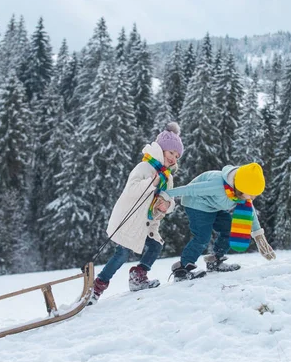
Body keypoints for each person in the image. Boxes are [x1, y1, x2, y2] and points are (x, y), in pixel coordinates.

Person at [90, 122, 183, 304]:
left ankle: (138, 276)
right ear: (161, 149)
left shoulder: (167, 177)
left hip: (146, 224)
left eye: (177, 156)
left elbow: (169, 198)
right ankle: (97, 287)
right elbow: (131, 190)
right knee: (121, 255)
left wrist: (167, 205)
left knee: (156, 245)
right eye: (171, 152)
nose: (174, 158)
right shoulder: (144, 168)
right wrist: (153, 183)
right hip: (128, 220)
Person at [160, 163, 276, 281]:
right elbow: (190, 189)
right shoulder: (217, 185)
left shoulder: (242, 193)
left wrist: (258, 235)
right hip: (196, 204)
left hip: (213, 207)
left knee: (230, 229)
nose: (252, 198)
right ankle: (182, 269)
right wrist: (166, 194)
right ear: (240, 187)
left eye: (254, 195)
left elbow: (250, 212)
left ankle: (215, 261)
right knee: (202, 237)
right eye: (251, 194)